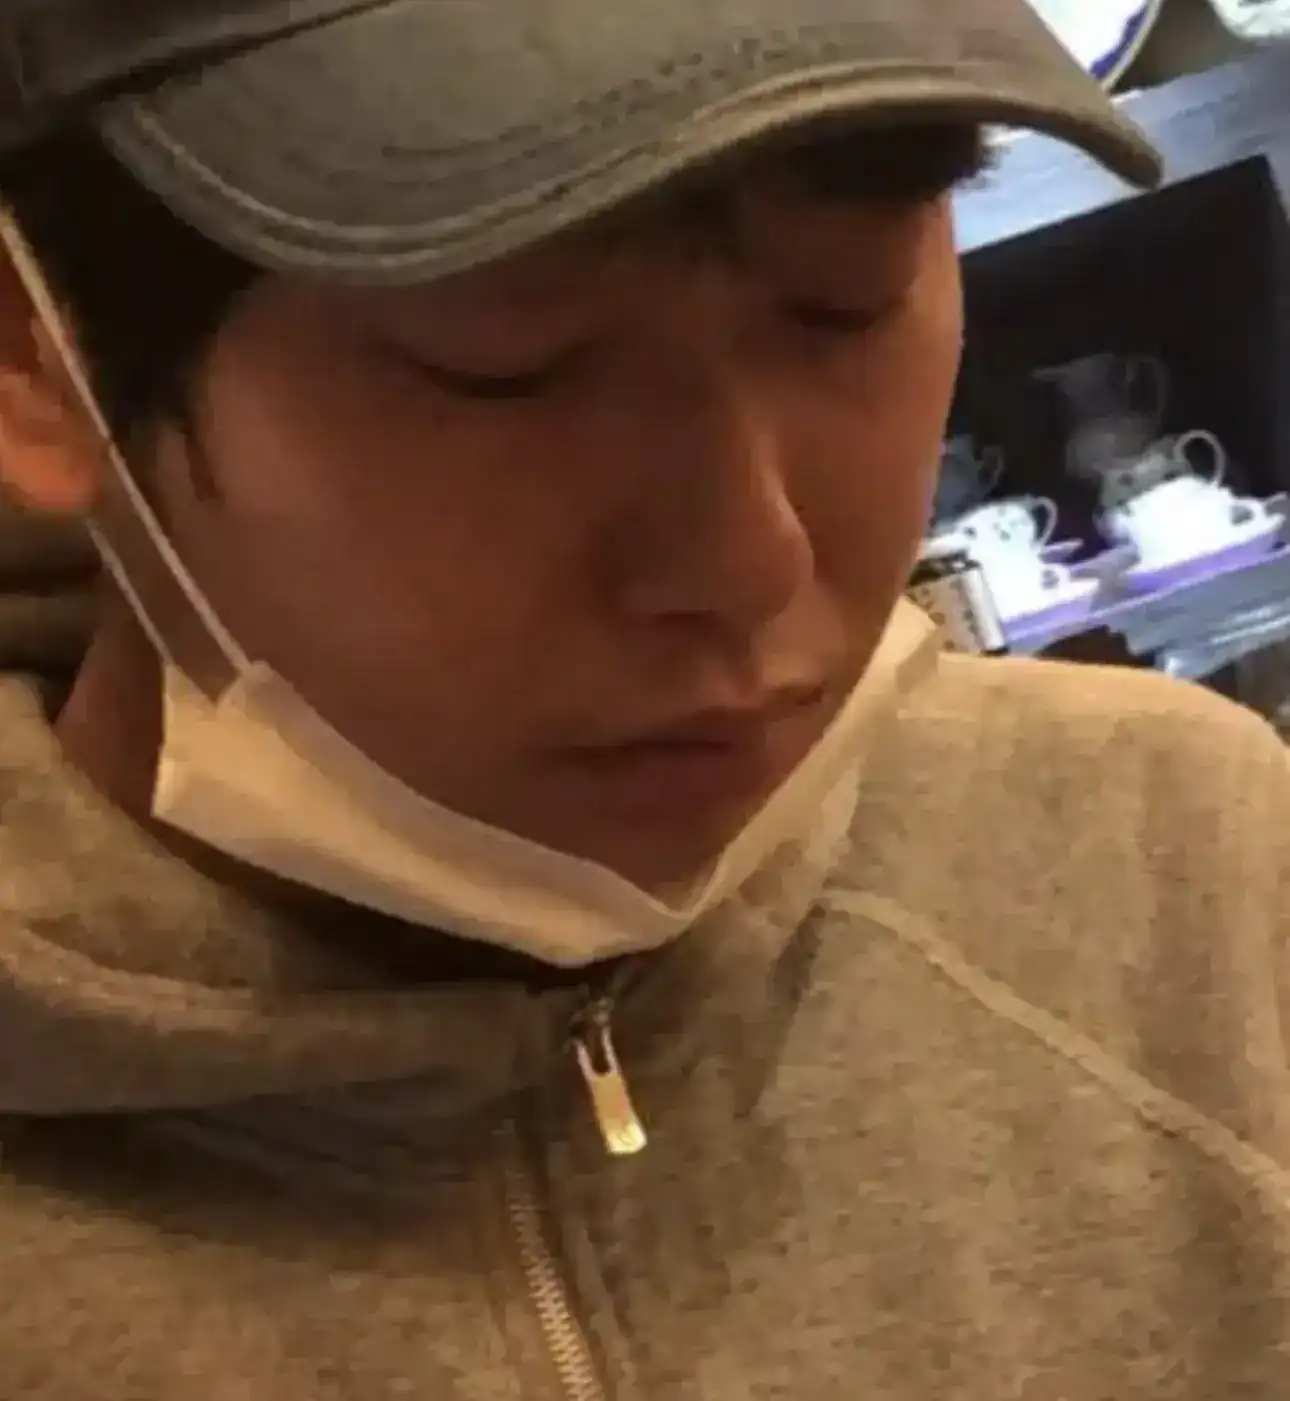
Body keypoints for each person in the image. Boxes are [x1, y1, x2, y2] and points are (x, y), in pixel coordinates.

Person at [0, 0, 1287, 1395]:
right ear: (36, 362)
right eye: (508, 366)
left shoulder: (1189, 878)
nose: (749, 559)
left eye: (844, 302)